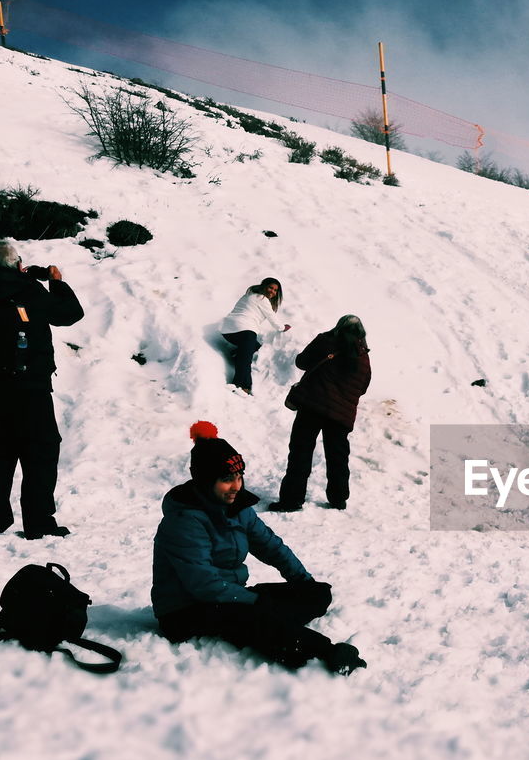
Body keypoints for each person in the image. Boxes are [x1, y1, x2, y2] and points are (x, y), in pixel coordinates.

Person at [151, 421, 366, 674]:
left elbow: (270, 546)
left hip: (227, 596)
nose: (236, 486)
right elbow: (204, 584)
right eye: (227, 479)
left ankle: (273, 623)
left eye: (239, 477)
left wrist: (302, 582)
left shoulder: (237, 508)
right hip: (186, 610)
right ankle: (324, 652)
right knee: (256, 617)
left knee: (317, 594)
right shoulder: (185, 521)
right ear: (205, 480)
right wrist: (255, 603)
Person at [0, 238, 85, 539]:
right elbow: (69, 314)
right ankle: (38, 522)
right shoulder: (29, 289)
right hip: (30, 389)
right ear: (17, 262)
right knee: (40, 453)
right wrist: (56, 282)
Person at [270, 315, 371, 512]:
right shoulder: (363, 357)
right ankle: (338, 499)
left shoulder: (326, 341)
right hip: (341, 415)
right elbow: (364, 387)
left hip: (312, 407)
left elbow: (301, 362)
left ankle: (291, 500)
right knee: (338, 457)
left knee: (301, 452)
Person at [220, 277, 289, 395]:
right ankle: (241, 386)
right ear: (264, 286)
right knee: (246, 360)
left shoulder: (248, 295)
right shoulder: (262, 299)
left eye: (275, 290)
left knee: (254, 347)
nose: (272, 291)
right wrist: (283, 328)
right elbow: (273, 319)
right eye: (270, 288)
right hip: (245, 330)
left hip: (227, 330)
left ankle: (236, 355)